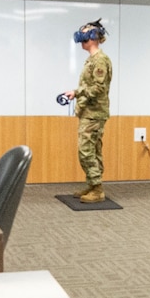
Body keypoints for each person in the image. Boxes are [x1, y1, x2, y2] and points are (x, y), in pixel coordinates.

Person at [63, 19, 111, 202]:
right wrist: (76, 93)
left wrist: (77, 92)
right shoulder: (92, 59)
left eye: (85, 33)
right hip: (90, 112)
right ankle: (93, 185)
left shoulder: (100, 60)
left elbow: (99, 88)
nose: (81, 37)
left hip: (94, 113)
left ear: (93, 37)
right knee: (92, 149)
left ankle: (97, 189)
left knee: (86, 150)